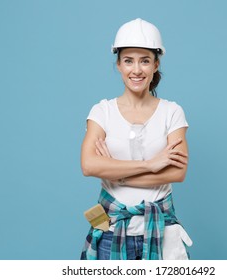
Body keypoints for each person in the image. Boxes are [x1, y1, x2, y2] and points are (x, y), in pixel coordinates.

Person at [80, 18, 192, 260]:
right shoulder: (102, 112)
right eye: (128, 61)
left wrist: (115, 172)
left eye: (145, 61)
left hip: (161, 230)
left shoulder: (172, 112)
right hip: (111, 230)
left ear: (156, 64)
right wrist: (150, 164)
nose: (137, 70)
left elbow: (177, 172)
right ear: (119, 65)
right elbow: (89, 166)